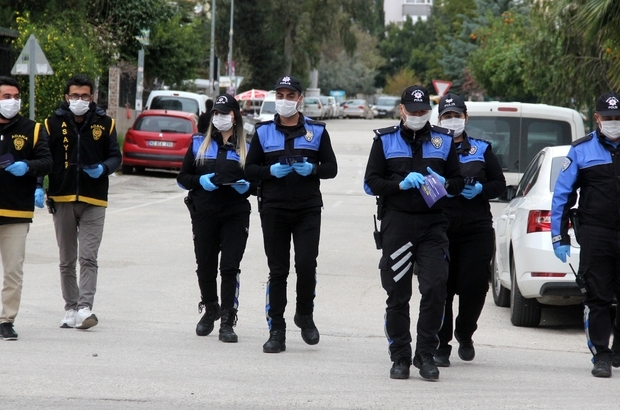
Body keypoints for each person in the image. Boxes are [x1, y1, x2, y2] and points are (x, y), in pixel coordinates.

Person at [363, 85, 464, 380]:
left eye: (423, 112)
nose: (418, 116)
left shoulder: (443, 140)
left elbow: (458, 182)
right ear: (401, 110)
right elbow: (370, 183)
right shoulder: (385, 140)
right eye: (413, 111)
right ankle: (400, 356)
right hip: (398, 223)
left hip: (434, 224)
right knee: (397, 292)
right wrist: (399, 184)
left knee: (435, 288)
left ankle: (426, 354)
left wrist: (445, 182)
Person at [245, 75, 338, 353]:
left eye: (290, 96)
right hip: (273, 208)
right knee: (278, 270)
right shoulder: (262, 132)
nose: (284, 101)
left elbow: (331, 167)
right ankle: (277, 329)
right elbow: (249, 170)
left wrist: (313, 169)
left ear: (300, 99)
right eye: (280, 95)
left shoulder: (317, 131)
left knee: (307, 264)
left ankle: (305, 315)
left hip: (307, 208)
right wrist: (268, 172)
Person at [433, 93, 506, 367]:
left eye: (457, 115)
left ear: (466, 118)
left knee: (474, 286)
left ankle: (465, 333)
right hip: (441, 226)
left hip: (475, 228)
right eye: (447, 116)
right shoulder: (432, 147)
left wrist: (480, 190)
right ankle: (442, 345)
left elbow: (499, 184)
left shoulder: (481, 149)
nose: (452, 121)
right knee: (442, 287)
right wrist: (441, 191)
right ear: (439, 119)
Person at [44, 74, 121, 330]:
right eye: (74, 96)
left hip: (94, 199)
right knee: (67, 259)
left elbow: (116, 157)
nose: (79, 100)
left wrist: (103, 168)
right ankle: (70, 307)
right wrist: (39, 187)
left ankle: (85, 307)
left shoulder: (105, 123)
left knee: (88, 257)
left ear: (92, 97)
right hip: (62, 197)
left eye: (84, 96)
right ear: (67, 98)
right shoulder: (52, 123)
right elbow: (44, 158)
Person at [551, 91, 620, 378]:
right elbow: (562, 196)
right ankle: (601, 355)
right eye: (608, 118)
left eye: (618, 118)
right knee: (598, 297)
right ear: (597, 118)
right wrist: (560, 237)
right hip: (596, 234)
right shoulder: (581, 150)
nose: (613, 123)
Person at [177, 94, 253, 342]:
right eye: (216, 113)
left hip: (235, 214)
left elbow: (258, 181)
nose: (220, 117)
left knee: (230, 267)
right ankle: (211, 308)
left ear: (235, 116)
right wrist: (200, 181)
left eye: (225, 113)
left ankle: (228, 321)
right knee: (205, 266)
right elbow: (183, 178)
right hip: (204, 213)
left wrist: (248, 187)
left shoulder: (247, 147)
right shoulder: (199, 143)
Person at [0, 76, 53, 340]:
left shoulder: (32, 129)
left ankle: (6, 320)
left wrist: (28, 169)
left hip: (16, 211)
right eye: (6, 97)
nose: (12, 101)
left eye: (15, 96)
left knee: (13, 271)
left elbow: (47, 162)